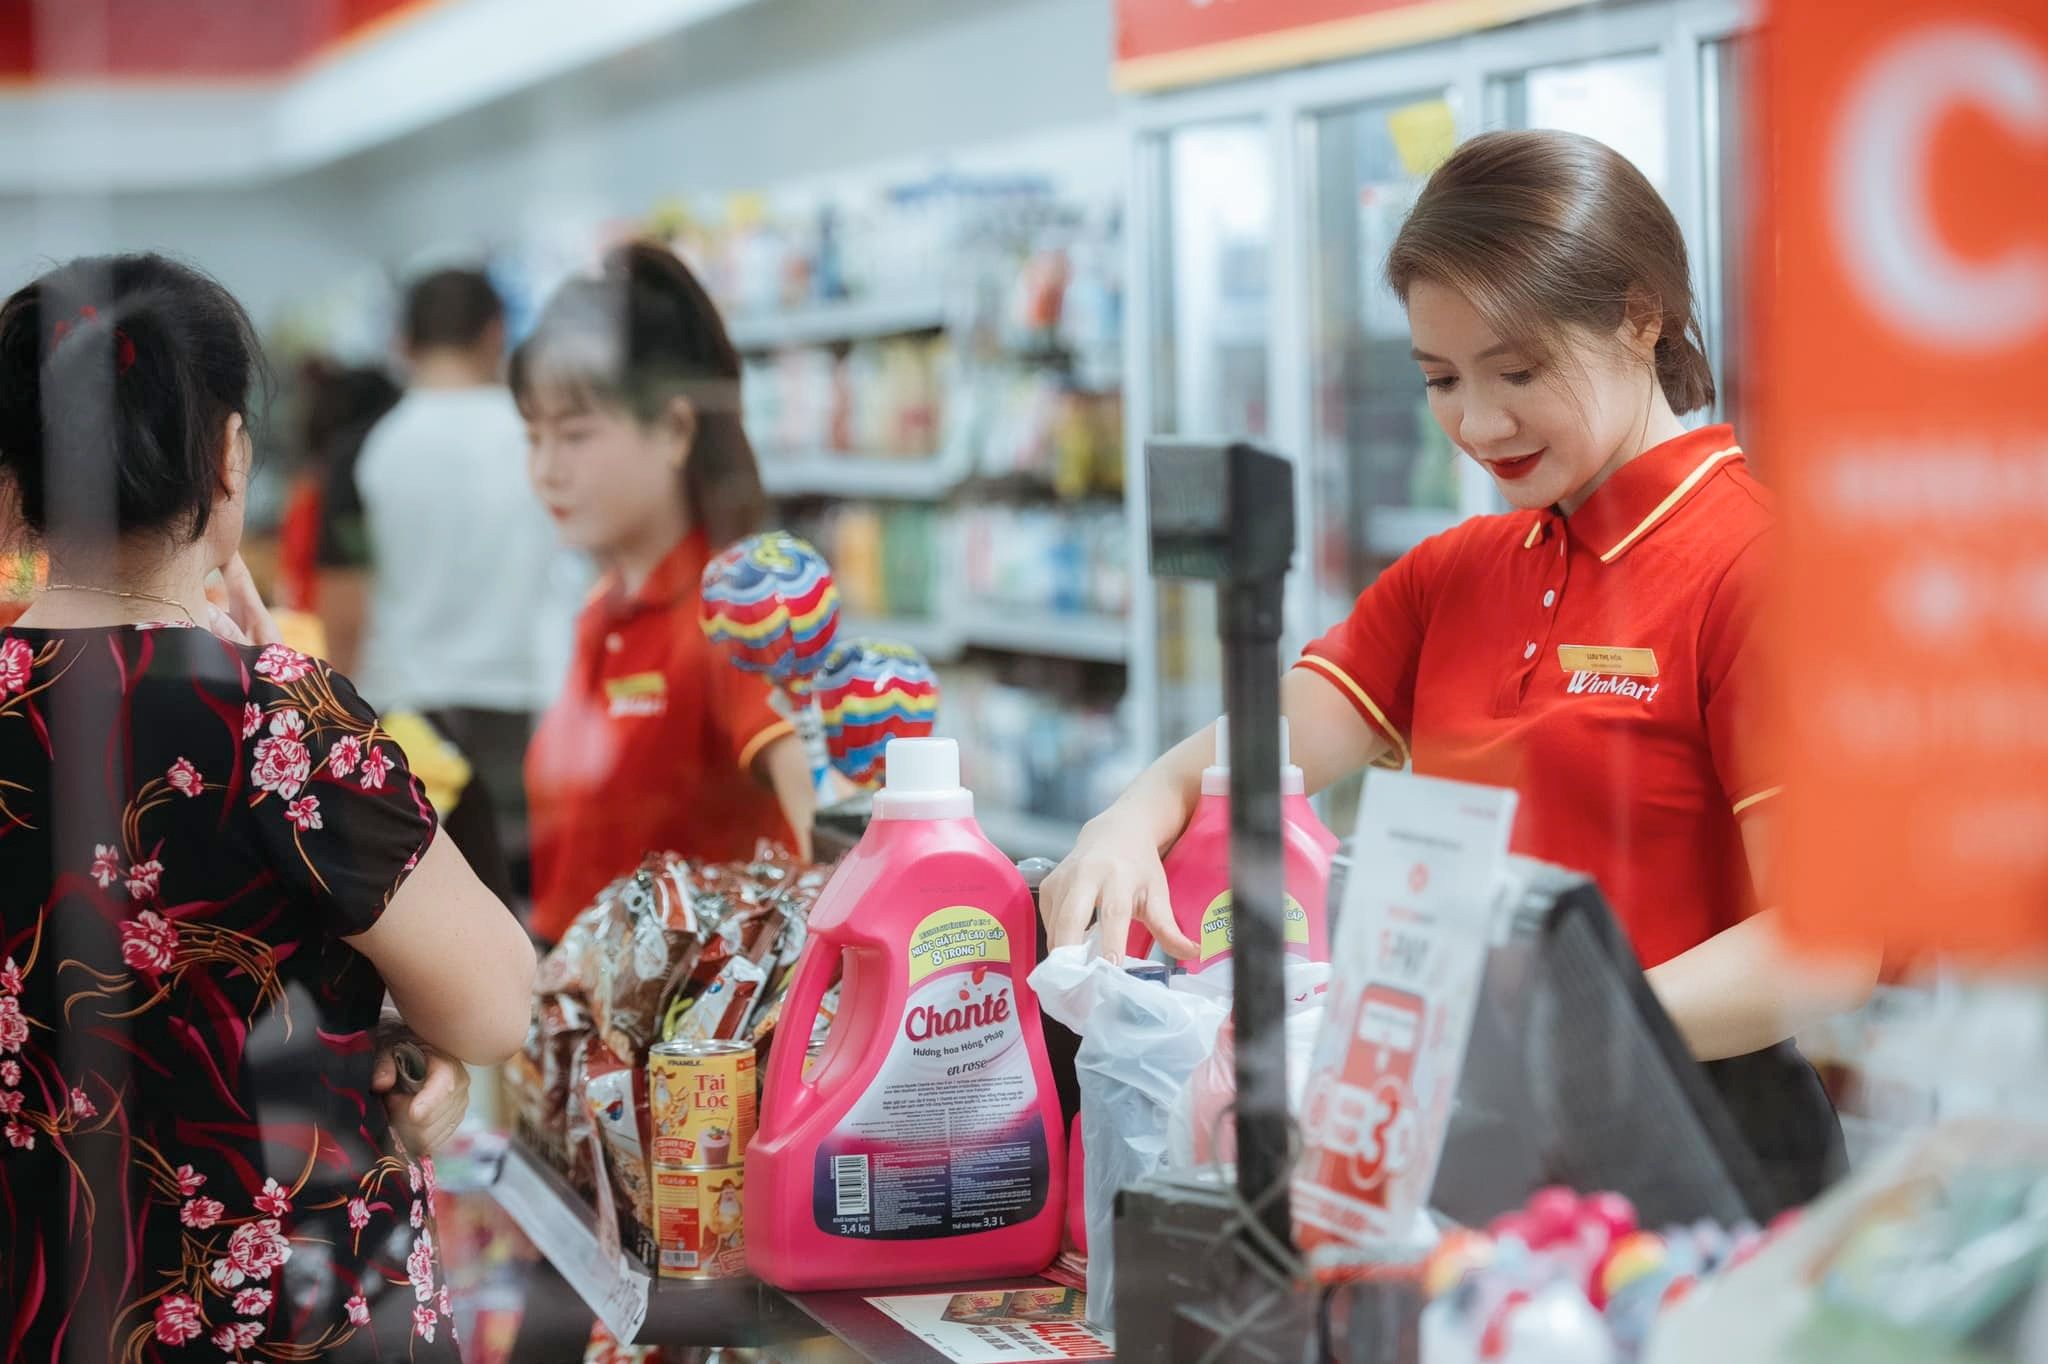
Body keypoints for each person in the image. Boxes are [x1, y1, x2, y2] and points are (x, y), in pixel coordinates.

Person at [1042, 131, 1879, 1203]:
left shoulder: (1758, 571)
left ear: (1639, 315)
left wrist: (1557, 1030)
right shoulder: (1454, 574)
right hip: (1476, 1135)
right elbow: (1247, 759)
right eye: (1440, 379)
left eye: (1518, 370)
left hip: (1700, 1151)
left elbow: (1826, 945)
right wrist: (1125, 821)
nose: (1478, 423)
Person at [0, 254, 536, 1360]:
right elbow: (492, 1005)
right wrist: (395, 1037)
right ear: (230, 454)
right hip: (288, 1312)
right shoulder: (275, 716)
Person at [515, 241, 816, 942]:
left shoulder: (736, 611)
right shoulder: (603, 610)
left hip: (701, 1009)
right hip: (580, 994)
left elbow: (826, 819)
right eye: (532, 438)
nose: (547, 469)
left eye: (575, 435)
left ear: (676, 428)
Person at [348, 267, 575, 891]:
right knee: (519, 883)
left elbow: (353, 595)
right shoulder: (534, 436)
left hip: (408, 702)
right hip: (521, 694)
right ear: (496, 333)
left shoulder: (379, 446)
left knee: (424, 887)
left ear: (404, 341)